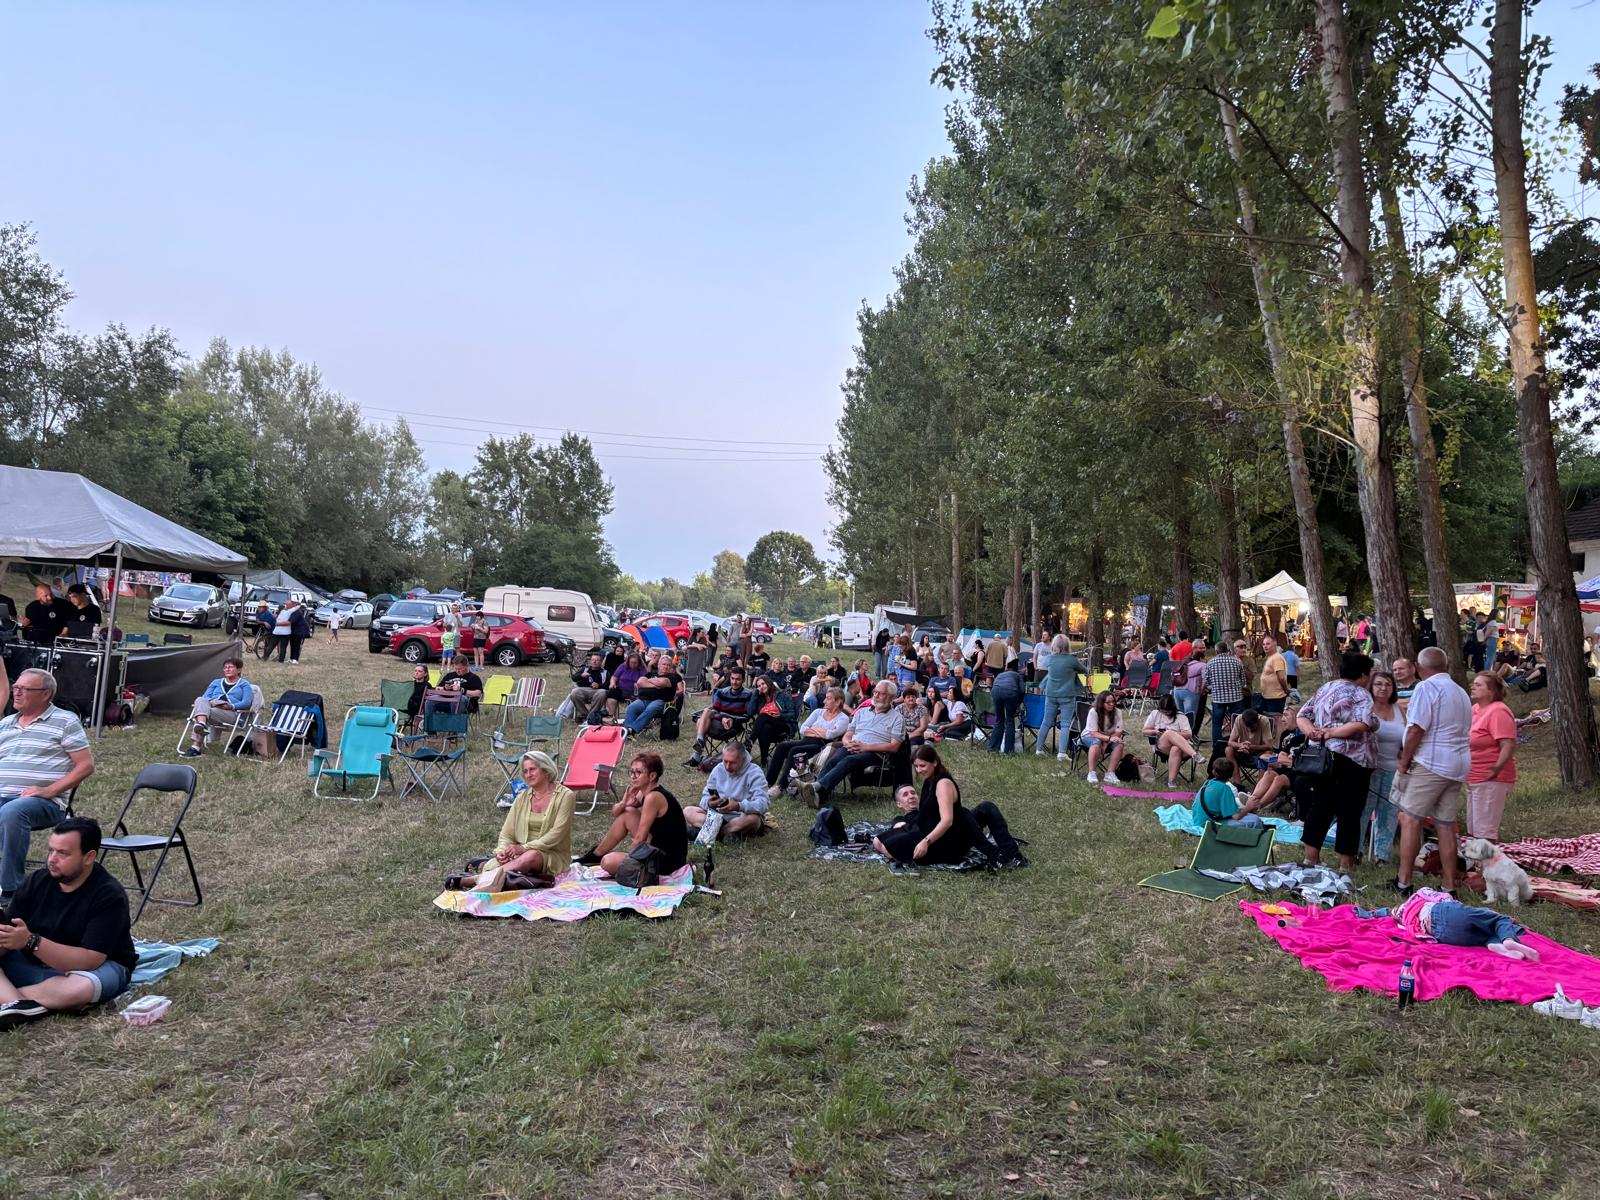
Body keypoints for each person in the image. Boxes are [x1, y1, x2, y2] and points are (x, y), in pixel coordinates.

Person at [0, 817, 136, 1028]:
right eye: (51, 851)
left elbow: (90, 960)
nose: (52, 859)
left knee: (82, 988)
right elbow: (10, 933)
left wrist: (31, 942)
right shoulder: (37, 881)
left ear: (89, 857)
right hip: (32, 966)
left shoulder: (108, 895)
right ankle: (18, 1004)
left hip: (89, 970)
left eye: (62, 853)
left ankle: (12, 1002)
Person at [0, 670, 95, 905]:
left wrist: (49, 791)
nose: (16, 693)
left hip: (43, 802)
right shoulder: (5, 724)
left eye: (25, 689)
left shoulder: (64, 721)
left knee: (12, 812)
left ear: (46, 694)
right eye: (15, 687)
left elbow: (85, 766)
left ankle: (10, 891)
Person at [1393, 646, 1473, 895]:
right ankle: (1449, 885)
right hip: (1457, 762)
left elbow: (1417, 728)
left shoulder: (1426, 688)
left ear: (1418, 668)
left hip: (1432, 762)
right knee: (1445, 825)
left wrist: (1405, 761)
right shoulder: (1460, 691)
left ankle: (1403, 881)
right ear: (1445, 665)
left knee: (1409, 818)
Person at [1295, 650, 1378, 872]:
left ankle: (1311, 857)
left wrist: (1311, 731)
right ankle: (1345, 863)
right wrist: (1332, 732)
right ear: (1363, 675)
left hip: (1323, 758)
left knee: (1320, 805)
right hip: (1352, 760)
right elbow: (1361, 723)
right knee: (1349, 810)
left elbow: (1301, 715)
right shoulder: (1361, 694)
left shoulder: (1325, 688)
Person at [444, 752, 574, 891]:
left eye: (532, 769)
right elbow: (507, 834)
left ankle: (475, 880)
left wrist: (524, 848)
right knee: (501, 863)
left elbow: (556, 834)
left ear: (545, 769)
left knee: (531, 855)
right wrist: (502, 851)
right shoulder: (522, 797)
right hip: (519, 853)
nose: (528, 774)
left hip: (550, 854)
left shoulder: (566, 796)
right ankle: (498, 872)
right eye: (525, 771)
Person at [583, 752, 689, 879]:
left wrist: (630, 860)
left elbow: (640, 838)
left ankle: (639, 868)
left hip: (667, 860)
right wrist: (623, 803)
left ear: (652, 776)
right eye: (632, 772)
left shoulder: (653, 797)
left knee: (607, 862)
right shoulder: (644, 793)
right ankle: (596, 855)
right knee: (628, 812)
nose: (633, 776)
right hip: (656, 845)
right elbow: (616, 813)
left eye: (638, 772)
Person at [1355, 888, 1539, 961]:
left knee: (1482, 936)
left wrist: (1368, 914)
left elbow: (1385, 912)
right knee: (1499, 919)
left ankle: (1501, 948)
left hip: (1442, 934)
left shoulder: (1404, 921)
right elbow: (1447, 899)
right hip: (1442, 912)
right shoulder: (1420, 895)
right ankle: (1508, 940)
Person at [872, 744, 976, 865]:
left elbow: (947, 821)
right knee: (877, 841)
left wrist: (925, 842)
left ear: (935, 762)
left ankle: (911, 857)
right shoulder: (928, 781)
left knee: (886, 845)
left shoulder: (943, 784)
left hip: (938, 838)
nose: (918, 770)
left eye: (922, 766)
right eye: (916, 766)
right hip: (922, 828)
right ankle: (906, 854)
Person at [814, 680, 907, 808]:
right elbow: (848, 733)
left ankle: (817, 787)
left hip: (876, 753)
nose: (876, 695)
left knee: (849, 761)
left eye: (881, 693)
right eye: (875, 692)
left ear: (891, 697)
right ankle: (819, 795)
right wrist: (847, 742)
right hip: (853, 746)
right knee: (833, 760)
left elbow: (894, 746)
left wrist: (866, 747)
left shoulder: (897, 718)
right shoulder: (862, 712)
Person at [764, 687, 849, 794]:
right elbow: (803, 729)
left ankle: (781, 786)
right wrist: (821, 731)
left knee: (795, 750)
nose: (824, 701)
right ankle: (768, 783)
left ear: (838, 702)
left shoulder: (843, 718)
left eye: (828, 698)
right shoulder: (818, 712)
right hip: (805, 741)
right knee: (782, 746)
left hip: (820, 746)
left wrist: (813, 728)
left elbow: (830, 735)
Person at [1466, 672, 1517, 841]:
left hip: (1491, 778)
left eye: (1478, 685)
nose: (1473, 687)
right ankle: (1477, 858)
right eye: (1473, 684)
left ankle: (1487, 857)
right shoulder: (1475, 709)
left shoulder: (1498, 711)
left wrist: (1496, 768)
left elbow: (1508, 744)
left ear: (1491, 691)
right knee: (1473, 829)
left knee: (1484, 832)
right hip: (1474, 776)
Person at [1360, 671, 1404, 863]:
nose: (1383, 688)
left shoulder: (1399, 709)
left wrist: (1404, 753)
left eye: (1388, 684)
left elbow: (1407, 735)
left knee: (1389, 813)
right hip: (1369, 768)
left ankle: (1383, 856)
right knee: (1363, 811)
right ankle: (1356, 852)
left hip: (1393, 768)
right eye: (1378, 684)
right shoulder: (1365, 708)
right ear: (1371, 686)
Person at [685, 742, 769, 840]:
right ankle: (728, 834)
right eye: (725, 761)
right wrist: (709, 803)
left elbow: (763, 803)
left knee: (753, 819)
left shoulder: (755, 773)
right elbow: (705, 797)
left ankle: (712, 833)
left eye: (732, 762)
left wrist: (739, 806)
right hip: (718, 816)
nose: (728, 767)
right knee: (688, 811)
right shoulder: (718, 769)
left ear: (743, 759)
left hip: (740, 817)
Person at [180, 656, 252, 758]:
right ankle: (201, 726)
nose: (227, 669)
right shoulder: (216, 682)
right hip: (213, 708)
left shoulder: (244, 684)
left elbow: (247, 703)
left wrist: (231, 706)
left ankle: (196, 746)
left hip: (232, 714)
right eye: (225, 667)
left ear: (239, 670)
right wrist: (213, 702)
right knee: (200, 700)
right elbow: (206, 697)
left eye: (231, 667)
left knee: (201, 712)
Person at [688, 667, 754, 766]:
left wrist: (730, 719)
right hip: (718, 722)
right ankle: (699, 742)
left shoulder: (748, 694)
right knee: (706, 711)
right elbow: (715, 709)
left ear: (743, 680)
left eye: (738, 679)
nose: (734, 682)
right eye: (732, 678)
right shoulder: (722, 692)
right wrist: (722, 718)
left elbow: (746, 715)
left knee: (701, 720)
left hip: (731, 726)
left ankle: (697, 753)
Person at [1190, 758, 1268, 828]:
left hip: (1197, 820)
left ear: (1214, 772)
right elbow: (1236, 817)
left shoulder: (1208, 782)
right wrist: (1249, 807)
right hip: (1208, 824)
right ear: (1231, 775)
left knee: (1246, 814)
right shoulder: (1225, 789)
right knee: (1255, 820)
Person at [1202, 640, 1248, 753]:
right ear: (1228, 650)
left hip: (1218, 699)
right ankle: (1236, 744)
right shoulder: (1236, 662)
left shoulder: (1210, 663)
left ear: (1216, 651)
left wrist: (1213, 688)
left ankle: (1217, 747)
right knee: (1237, 722)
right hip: (1236, 698)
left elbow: (1206, 682)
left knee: (1217, 723)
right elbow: (1243, 681)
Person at [1142, 693, 1198, 786]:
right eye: (1162, 711)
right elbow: (1144, 731)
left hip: (1183, 748)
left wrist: (1173, 734)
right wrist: (1155, 731)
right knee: (1168, 733)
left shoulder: (1181, 716)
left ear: (1173, 708)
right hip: (1163, 746)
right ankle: (1195, 754)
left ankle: (1171, 782)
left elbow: (1188, 734)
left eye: (1167, 711)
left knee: (1176, 748)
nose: (1165, 713)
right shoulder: (1155, 713)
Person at [623, 656, 682, 735]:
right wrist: (655, 685)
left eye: (668, 665)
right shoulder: (651, 673)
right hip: (643, 700)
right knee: (631, 707)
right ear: (659, 665)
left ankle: (631, 730)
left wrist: (649, 681)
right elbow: (640, 682)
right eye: (664, 664)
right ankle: (627, 733)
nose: (666, 667)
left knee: (650, 709)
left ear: (671, 667)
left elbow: (662, 683)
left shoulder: (673, 677)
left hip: (660, 701)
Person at [1081, 690, 1124, 784]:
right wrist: (1107, 739)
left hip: (1108, 738)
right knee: (1096, 742)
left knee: (1119, 743)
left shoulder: (1118, 712)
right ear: (1101, 703)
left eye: (1113, 701)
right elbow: (1093, 733)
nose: (1112, 704)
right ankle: (1091, 773)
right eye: (1108, 702)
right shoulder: (1094, 711)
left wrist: (1105, 743)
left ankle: (1110, 773)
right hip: (1089, 736)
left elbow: (1118, 732)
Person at [747, 674, 790, 764]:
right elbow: (750, 712)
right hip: (768, 729)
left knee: (763, 715)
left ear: (768, 682)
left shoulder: (782, 695)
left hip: (782, 726)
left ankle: (749, 742)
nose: (761, 687)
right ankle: (764, 760)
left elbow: (792, 714)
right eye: (759, 686)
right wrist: (755, 694)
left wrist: (779, 715)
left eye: (763, 684)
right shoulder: (760, 698)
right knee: (765, 727)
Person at [563, 652, 612, 724]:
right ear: (590, 661)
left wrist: (599, 685)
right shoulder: (584, 669)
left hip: (598, 691)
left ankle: (590, 716)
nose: (594, 662)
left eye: (597, 660)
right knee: (574, 692)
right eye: (593, 660)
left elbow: (608, 685)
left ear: (601, 662)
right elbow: (574, 678)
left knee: (602, 692)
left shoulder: (605, 672)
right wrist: (581, 675)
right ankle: (586, 715)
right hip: (584, 690)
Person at [988, 663, 1024, 754]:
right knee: (1009, 720)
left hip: (996, 692)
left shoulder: (1000, 675)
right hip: (1010, 692)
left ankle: (993, 748)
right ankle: (1008, 750)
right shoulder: (1017, 675)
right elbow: (1022, 690)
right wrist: (1018, 703)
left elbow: (994, 685)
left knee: (999, 720)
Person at [1225, 709, 1274, 774]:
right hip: (1242, 751)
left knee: (1267, 754)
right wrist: (1241, 745)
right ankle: (1237, 780)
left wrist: (1250, 747)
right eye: (1247, 727)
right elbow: (1230, 742)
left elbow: (1269, 746)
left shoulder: (1264, 721)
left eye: (1252, 727)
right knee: (1228, 750)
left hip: (1259, 753)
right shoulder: (1239, 719)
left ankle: (1261, 780)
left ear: (1257, 721)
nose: (1249, 730)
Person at [605, 651, 645, 723]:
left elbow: (645, 680)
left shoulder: (642, 669)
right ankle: (612, 718)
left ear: (639, 662)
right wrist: (612, 683)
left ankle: (632, 720)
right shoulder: (623, 666)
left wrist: (640, 684)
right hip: (622, 690)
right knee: (612, 692)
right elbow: (614, 677)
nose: (633, 664)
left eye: (635, 663)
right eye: (631, 662)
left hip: (635, 692)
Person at [1257, 634, 1289, 715]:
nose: (1265, 646)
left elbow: (1281, 677)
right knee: (1269, 719)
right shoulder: (1270, 657)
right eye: (1264, 644)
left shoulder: (1277, 658)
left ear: (1274, 645)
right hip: (1268, 697)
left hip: (1276, 697)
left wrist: (1286, 690)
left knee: (1276, 719)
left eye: (1268, 644)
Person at [274, 597, 311, 664]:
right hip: (294, 631)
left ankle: (295, 659)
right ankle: (292, 658)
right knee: (292, 644)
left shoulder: (296, 612)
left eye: (287, 605)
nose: (286, 606)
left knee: (296, 645)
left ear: (293, 605)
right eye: (286, 605)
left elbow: (289, 622)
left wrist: (278, 624)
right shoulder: (291, 611)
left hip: (300, 631)